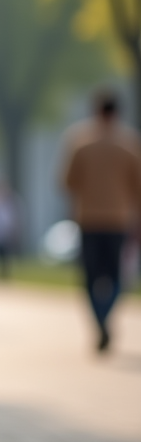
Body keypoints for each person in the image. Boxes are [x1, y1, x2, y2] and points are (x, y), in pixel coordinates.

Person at [60, 88, 141, 353]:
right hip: (118, 219)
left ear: (95, 111)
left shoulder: (79, 141)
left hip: (88, 218)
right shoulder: (129, 144)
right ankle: (106, 316)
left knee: (90, 276)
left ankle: (99, 320)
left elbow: (67, 182)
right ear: (117, 112)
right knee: (116, 277)